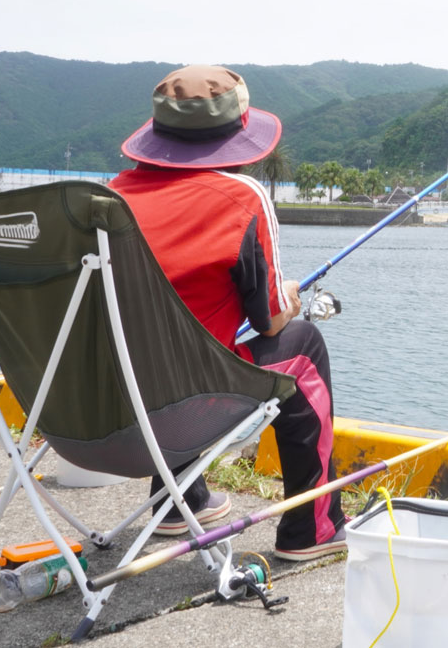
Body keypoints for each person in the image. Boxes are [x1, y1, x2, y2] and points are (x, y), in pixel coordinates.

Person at [108, 64, 346, 561]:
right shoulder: (242, 198)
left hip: (97, 411)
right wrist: (287, 297)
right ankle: (313, 528)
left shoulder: (106, 199)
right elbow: (270, 323)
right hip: (185, 404)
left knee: (160, 342)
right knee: (304, 344)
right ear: (236, 136)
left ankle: (175, 502)